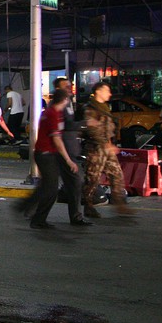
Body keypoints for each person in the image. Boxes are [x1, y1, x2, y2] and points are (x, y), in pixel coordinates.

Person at [18, 88, 92, 229]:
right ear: (64, 100)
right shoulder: (53, 114)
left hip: (47, 154)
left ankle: (35, 215)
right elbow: (57, 139)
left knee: (49, 187)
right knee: (51, 190)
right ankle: (37, 219)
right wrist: (68, 160)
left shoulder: (50, 112)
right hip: (46, 154)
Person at [83, 82, 136, 216]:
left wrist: (110, 143)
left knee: (116, 174)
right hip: (96, 149)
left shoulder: (104, 108)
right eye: (107, 90)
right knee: (93, 179)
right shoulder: (91, 108)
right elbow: (92, 130)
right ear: (98, 91)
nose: (109, 94)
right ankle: (88, 205)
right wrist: (106, 144)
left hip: (106, 148)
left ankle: (120, 204)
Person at [54, 76, 88, 224]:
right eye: (66, 86)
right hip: (64, 149)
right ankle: (76, 217)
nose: (69, 88)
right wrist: (85, 124)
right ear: (58, 89)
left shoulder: (68, 102)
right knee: (75, 182)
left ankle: (33, 212)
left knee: (52, 185)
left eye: (70, 85)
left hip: (70, 148)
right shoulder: (57, 106)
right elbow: (65, 126)